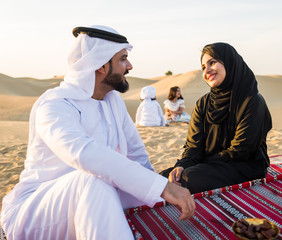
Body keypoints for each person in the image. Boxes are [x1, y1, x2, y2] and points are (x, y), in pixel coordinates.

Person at [0, 25, 195, 240]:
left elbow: (137, 155)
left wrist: (161, 189)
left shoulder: (113, 101)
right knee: (92, 180)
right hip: (38, 212)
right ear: (101, 65)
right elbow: (85, 154)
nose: (129, 65)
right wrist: (159, 186)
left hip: (96, 199)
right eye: (123, 59)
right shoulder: (55, 105)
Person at [160, 42, 272, 194]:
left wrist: (193, 167)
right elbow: (193, 147)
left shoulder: (252, 101)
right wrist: (183, 165)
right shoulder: (203, 104)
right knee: (164, 178)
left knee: (189, 177)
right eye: (203, 67)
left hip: (244, 165)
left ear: (230, 63)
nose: (207, 70)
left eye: (212, 62)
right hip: (210, 164)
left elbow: (241, 150)